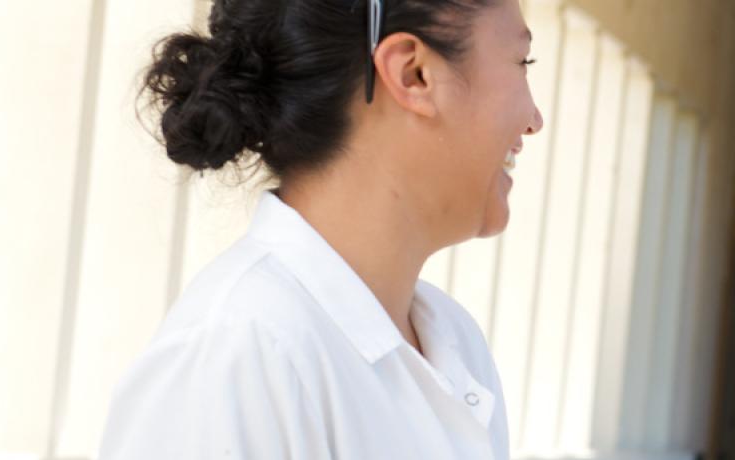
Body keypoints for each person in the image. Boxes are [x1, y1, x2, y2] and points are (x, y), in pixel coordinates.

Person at [98, 0, 541, 458]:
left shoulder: (455, 341)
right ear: (413, 73)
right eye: (521, 63)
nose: (535, 121)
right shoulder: (238, 355)